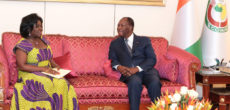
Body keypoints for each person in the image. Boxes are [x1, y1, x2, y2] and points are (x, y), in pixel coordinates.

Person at [10, 13, 79, 110]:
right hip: (29, 73)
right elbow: (22, 66)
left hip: (46, 71)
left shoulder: (43, 40)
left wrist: (57, 67)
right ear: (29, 29)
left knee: (62, 83)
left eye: (41, 26)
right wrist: (43, 69)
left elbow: (49, 58)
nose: (41, 28)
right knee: (46, 82)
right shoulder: (23, 45)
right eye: (37, 26)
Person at [109, 17, 161, 110]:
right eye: (118, 25)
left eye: (122, 25)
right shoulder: (115, 43)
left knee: (155, 82)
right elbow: (113, 60)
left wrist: (136, 69)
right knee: (135, 83)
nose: (118, 28)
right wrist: (119, 67)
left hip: (146, 71)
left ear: (130, 27)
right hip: (128, 73)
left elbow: (152, 59)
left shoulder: (144, 40)